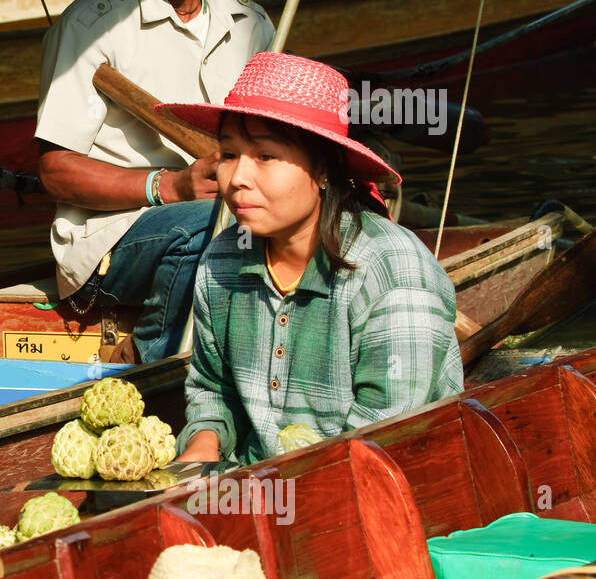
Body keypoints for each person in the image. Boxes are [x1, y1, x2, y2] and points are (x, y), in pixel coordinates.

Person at [164, 52, 464, 465]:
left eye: (266, 156)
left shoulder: (391, 268)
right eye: (229, 155)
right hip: (262, 487)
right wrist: (200, 452)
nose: (237, 179)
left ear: (322, 169)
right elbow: (213, 390)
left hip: (378, 489)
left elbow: (386, 435)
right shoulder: (223, 260)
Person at [35, 0, 275, 362]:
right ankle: (155, 368)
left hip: (233, 216)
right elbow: (54, 171)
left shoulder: (251, 24)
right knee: (207, 222)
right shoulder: (89, 27)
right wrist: (169, 186)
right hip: (108, 246)